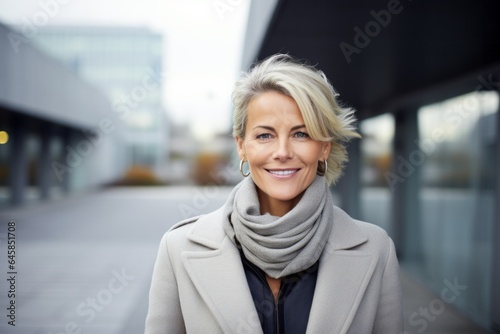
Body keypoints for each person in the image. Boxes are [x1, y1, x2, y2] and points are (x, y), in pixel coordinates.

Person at [145, 54, 403, 333]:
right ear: (242, 146)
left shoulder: (377, 250)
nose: (282, 153)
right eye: (265, 135)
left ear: (324, 147)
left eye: (301, 134)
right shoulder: (178, 248)